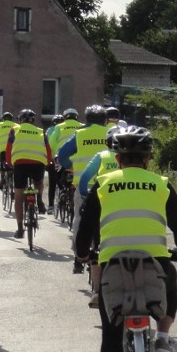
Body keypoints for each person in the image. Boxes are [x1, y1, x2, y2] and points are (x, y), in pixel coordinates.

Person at [74, 126, 177, 352]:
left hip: (113, 266)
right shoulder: (161, 184)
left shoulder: (103, 183)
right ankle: (162, 338)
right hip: (155, 264)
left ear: (117, 158)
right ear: (148, 158)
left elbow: (85, 228)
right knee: (171, 283)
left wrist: (85, 255)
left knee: (111, 332)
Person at [58, 104, 109, 273]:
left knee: (80, 219)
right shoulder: (112, 133)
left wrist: (70, 166)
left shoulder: (79, 134)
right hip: (109, 185)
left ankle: (78, 258)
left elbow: (63, 154)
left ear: (86, 120)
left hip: (84, 185)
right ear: (105, 120)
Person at [77, 124, 123, 307]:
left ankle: (98, 292)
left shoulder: (101, 156)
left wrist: (84, 196)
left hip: (103, 205)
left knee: (97, 248)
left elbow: (84, 179)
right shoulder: (134, 162)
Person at [4, 109, 51, 239]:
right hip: (38, 163)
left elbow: (9, 147)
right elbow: (48, 149)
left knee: (18, 195)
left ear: (20, 120)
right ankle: (39, 198)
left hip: (20, 163)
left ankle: (20, 229)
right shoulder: (41, 131)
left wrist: (9, 162)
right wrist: (48, 162)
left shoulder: (14, 130)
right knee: (39, 182)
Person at [0, 112, 17, 191]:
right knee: (14, 165)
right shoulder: (16, 126)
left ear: (3, 119)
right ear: (11, 119)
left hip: (2, 150)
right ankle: (13, 178)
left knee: (3, 165)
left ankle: (2, 179)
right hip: (14, 149)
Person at [44, 114, 65, 214]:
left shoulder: (50, 130)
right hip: (68, 159)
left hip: (54, 158)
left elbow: (49, 144)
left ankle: (51, 206)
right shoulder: (65, 128)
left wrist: (49, 159)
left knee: (52, 183)